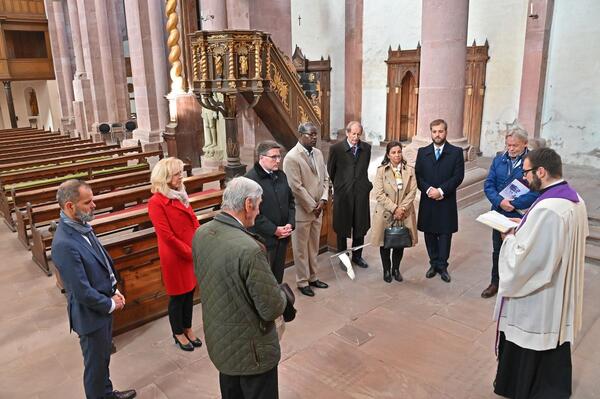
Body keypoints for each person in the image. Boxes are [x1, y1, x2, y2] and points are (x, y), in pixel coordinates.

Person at [494, 147, 588, 399]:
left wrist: (509, 239)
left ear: (542, 172)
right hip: (558, 289)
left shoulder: (549, 209)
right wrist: (524, 224)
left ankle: (526, 388)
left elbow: (528, 262)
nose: (523, 179)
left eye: (526, 173)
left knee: (533, 345)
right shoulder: (573, 200)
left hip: (540, 297)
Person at [192, 177, 291, 399]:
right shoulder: (249, 249)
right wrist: (283, 296)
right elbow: (271, 309)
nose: (258, 212)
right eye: (259, 205)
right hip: (252, 351)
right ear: (248, 204)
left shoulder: (201, 233)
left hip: (221, 341)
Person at [51, 180, 136, 399]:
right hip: (90, 316)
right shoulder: (64, 243)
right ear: (70, 206)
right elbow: (81, 291)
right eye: (88, 202)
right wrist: (110, 303)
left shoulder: (82, 227)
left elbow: (101, 262)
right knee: (95, 369)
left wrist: (113, 289)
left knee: (102, 361)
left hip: (102, 306)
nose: (94, 205)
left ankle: (107, 394)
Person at [148, 157, 202, 351]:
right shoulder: (156, 202)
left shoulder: (180, 194)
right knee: (178, 297)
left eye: (181, 172)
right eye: (177, 173)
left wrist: (198, 241)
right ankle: (178, 332)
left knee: (190, 293)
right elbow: (167, 236)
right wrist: (189, 251)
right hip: (175, 255)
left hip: (190, 250)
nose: (182, 176)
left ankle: (188, 327)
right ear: (165, 177)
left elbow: (194, 220)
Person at [481, 128, 538, 298]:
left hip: (518, 215)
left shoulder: (533, 163)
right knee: (498, 250)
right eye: (508, 145)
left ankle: (516, 286)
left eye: (515, 145)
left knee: (518, 252)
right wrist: (500, 202)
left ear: (525, 144)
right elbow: (488, 184)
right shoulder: (499, 159)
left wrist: (512, 204)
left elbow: (536, 192)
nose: (511, 149)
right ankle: (495, 283)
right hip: (498, 214)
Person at [283, 122, 330, 297]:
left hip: (319, 208)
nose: (314, 137)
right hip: (303, 211)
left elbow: (325, 178)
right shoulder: (292, 158)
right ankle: (302, 281)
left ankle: (313, 277)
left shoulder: (317, 153)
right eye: (311, 134)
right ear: (301, 135)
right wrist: (312, 205)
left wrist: (323, 199)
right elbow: (296, 187)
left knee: (313, 247)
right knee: (301, 249)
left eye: (316, 134)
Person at [415, 119, 465, 283]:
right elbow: (418, 175)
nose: (437, 134)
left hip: (446, 200)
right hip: (428, 200)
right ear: (431, 132)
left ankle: (442, 266)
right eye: (434, 131)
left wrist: (442, 191)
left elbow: (458, 176)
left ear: (446, 132)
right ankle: (433, 263)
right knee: (429, 233)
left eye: (440, 131)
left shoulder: (456, 152)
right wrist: (429, 190)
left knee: (444, 234)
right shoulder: (423, 152)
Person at [245, 140, 295, 283]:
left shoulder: (281, 175)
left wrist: (290, 224)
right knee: (265, 281)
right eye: (274, 157)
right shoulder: (250, 180)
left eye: (279, 156)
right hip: (264, 240)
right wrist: (274, 230)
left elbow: (290, 201)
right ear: (261, 158)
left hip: (283, 236)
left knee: (278, 277)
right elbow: (253, 214)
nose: (278, 160)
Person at [370, 141, 418, 283]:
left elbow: (412, 191)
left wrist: (402, 208)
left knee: (400, 241)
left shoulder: (409, 170)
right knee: (385, 242)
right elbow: (379, 193)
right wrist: (394, 208)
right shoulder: (381, 171)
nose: (397, 155)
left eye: (399, 152)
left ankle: (396, 269)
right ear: (388, 155)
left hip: (404, 213)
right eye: (393, 152)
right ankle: (386, 270)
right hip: (386, 212)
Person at [327, 120, 373, 268]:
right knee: (342, 227)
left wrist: (364, 185)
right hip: (343, 194)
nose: (356, 137)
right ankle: (343, 257)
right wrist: (340, 186)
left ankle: (357, 257)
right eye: (353, 133)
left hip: (360, 193)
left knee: (360, 226)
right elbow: (331, 171)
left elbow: (364, 169)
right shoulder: (336, 149)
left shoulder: (366, 148)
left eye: (359, 134)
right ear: (347, 133)